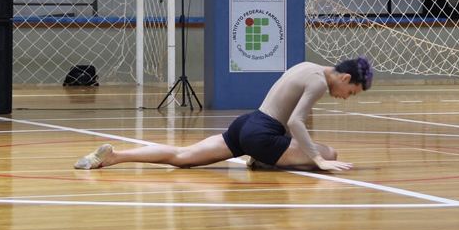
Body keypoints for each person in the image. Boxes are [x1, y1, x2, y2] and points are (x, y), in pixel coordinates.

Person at [74, 56, 372, 172]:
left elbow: (285, 114)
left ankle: (114, 157)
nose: (346, 97)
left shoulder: (307, 66)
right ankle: (263, 161)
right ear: (346, 78)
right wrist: (318, 158)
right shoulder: (318, 82)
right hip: (262, 135)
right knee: (330, 154)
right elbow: (295, 121)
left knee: (182, 156)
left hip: (246, 124)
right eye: (352, 92)